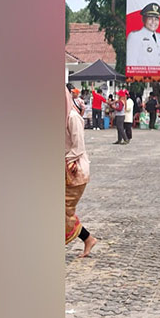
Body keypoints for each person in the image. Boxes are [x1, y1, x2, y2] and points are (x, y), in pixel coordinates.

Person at [65, 85, 97, 257]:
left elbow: (78, 148)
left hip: (75, 171)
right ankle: (88, 238)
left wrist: (66, 160)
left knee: (63, 211)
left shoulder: (72, 117)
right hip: (62, 169)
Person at [126, 2, 160, 67]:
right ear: (143, 19)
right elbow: (131, 63)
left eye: (156, 19)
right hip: (142, 76)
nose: (153, 22)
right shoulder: (135, 36)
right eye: (150, 18)